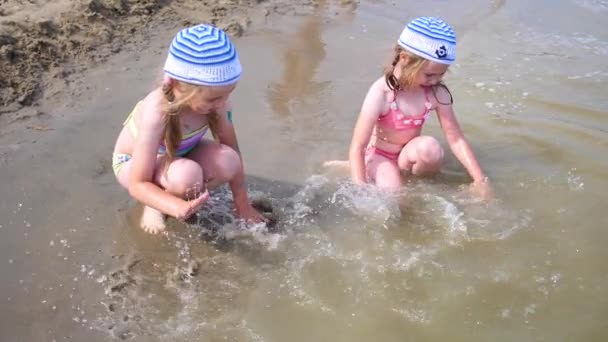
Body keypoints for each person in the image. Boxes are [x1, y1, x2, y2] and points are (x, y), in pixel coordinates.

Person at [112, 24, 266, 234]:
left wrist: (243, 205)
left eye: (228, 94)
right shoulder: (157, 112)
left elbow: (234, 156)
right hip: (133, 166)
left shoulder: (219, 105)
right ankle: (155, 203)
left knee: (228, 160)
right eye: (215, 98)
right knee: (187, 176)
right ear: (178, 86)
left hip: (179, 154)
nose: (223, 103)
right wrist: (176, 207)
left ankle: (180, 192)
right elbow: (137, 183)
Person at [324, 16, 492, 199]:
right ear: (404, 59)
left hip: (406, 154)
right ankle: (366, 170)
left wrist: (480, 180)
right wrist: (359, 187)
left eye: (441, 74)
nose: (435, 80)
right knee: (396, 197)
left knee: (431, 150)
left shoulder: (436, 93)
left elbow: (456, 140)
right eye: (429, 75)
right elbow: (358, 146)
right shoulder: (381, 93)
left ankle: (414, 182)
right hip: (379, 155)